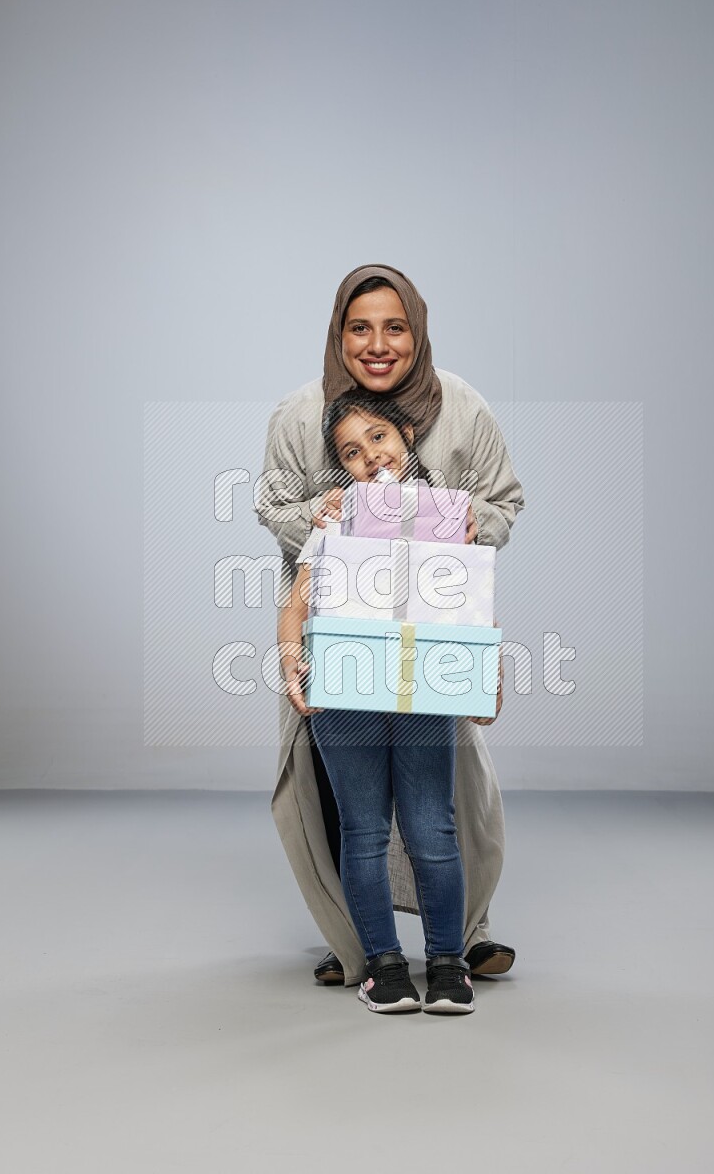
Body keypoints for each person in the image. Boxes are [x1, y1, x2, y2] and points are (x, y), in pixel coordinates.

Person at [255, 264, 524, 989]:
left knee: (446, 803)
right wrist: (316, 519)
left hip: (432, 645)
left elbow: (503, 502)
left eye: (395, 326)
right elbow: (275, 508)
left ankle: (464, 941)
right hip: (338, 647)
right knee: (345, 804)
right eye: (359, 327)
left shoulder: (459, 406)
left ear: (418, 332)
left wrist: (470, 521)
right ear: (339, 332)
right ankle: (362, 949)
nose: (377, 344)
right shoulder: (298, 412)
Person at [279, 389, 499, 1012]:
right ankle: (382, 963)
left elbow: (470, 602)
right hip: (346, 685)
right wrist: (293, 661)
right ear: (340, 466)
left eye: (378, 437)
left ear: (405, 436)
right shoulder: (335, 515)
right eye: (351, 451)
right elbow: (298, 601)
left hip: (423, 685)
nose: (369, 456)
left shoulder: (450, 514)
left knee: (433, 825)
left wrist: (489, 674)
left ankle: (448, 962)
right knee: (365, 828)